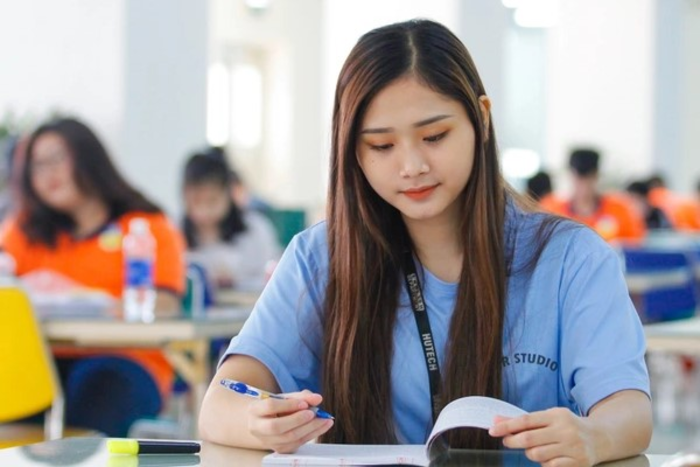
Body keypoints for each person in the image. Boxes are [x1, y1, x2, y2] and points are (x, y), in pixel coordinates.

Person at [198, 19, 651, 466]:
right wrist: (258, 419)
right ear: (352, 150)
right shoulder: (322, 258)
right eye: (381, 146)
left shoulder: (571, 259)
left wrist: (593, 435)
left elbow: (629, 411)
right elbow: (222, 403)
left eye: (434, 137)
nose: (411, 165)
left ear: (482, 118)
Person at [0, 117, 186, 436]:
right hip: (40, 361)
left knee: (94, 394)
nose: (47, 174)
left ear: (88, 157)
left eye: (56, 158)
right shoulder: (24, 231)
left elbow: (166, 302)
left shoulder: (145, 227)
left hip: (125, 359)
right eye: (36, 165)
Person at [182, 152, 280, 291]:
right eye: (196, 201)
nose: (204, 211)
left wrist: (234, 281)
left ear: (228, 194)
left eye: (212, 201)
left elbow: (272, 280)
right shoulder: (176, 235)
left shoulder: (256, 230)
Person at [545, 148, 646, 241]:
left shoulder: (620, 211)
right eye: (579, 178)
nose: (584, 185)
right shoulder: (553, 212)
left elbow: (635, 250)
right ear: (570, 175)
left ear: (597, 176)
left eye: (589, 177)